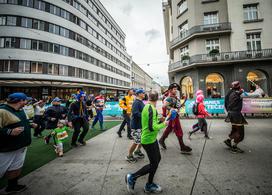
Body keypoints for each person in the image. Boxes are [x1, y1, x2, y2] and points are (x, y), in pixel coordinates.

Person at [126, 91, 168, 194]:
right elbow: (151, 127)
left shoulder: (149, 107)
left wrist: (160, 120)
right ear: (157, 99)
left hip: (151, 139)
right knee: (154, 163)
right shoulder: (150, 108)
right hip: (148, 140)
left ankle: (149, 184)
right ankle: (132, 177)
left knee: (157, 160)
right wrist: (164, 124)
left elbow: (151, 122)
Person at [0, 93, 36, 193]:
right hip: (6, 148)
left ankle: (12, 186)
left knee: (16, 167)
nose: (26, 102)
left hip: (21, 146)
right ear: (20, 101)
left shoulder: (20, 109)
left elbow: (24, 122)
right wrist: (9, 131)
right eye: (25, 100)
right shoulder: (2, 110)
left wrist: (30, 124)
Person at [159, 83, 192, 154]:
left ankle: (162, 140)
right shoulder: (169, 98)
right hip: (173, 116)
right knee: (179, 130)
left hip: (175, 115)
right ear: (170, 90)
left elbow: (177, 106)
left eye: (176, 89)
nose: (176, 90)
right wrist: (173, 109)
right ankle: (182, 146)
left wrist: (180, 106)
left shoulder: (175, 97)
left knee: (169, 128)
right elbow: (164, 106)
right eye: (174, 89)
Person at [224, 81, 248, 153]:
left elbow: (226, 103)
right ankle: (234, 146)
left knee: (234, 129)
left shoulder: (230, 93)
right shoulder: (239, 94)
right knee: (240, 132)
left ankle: (228, 140)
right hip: (236, 114)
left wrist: (228, 111)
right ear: (238, 86)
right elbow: (254, 95)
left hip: (231, 113)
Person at [126, 89, 145, 163]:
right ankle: (129, 155)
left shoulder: (140, 102)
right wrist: (145, 116)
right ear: (139, 94)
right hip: (136, 125)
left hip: (140, 124)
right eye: (143, 93)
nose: (144, 94)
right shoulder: (136, 102)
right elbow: (135, 113)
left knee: (142, 140)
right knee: (136, 141)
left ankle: (137, 151)